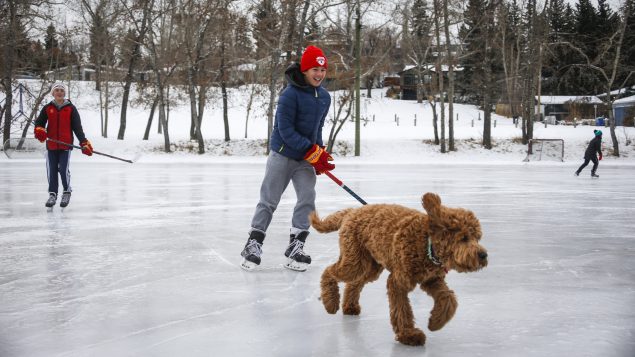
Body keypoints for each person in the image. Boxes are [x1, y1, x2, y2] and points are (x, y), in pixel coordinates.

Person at [240, 45, 334, 272]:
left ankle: (296, 246)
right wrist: (309, 150)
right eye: (314, 69)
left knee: (307, 198)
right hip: (282, 154)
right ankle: (253, 244)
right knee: (269, 200)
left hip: (305, 159)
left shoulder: (324, 97)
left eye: (322, 70)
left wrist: (319, 152)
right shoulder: (290, 94)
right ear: (304, 70)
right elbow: (284, 129)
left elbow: (318, 128)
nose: (319, 74)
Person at [33, 82, 93, 208]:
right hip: (51, 145)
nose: (59, 92)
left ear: (64, 93)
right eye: (57, 90)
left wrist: (84, 142)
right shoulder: (48, 108)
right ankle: (52, 194)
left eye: (61, 90)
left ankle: (67, 191)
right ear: (53, 93)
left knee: (63, 169)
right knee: (52, 170)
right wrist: (40, 131)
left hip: (65, 145)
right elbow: (39, 123)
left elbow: (77, 128)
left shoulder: (71, 108)